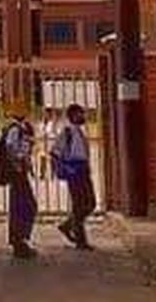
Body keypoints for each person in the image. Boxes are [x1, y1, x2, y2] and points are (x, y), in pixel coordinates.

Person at [52, 103, 96, 250]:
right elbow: (55, 152)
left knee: (90, 203)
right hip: (74, 171)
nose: (83, 116)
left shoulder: (79, 132)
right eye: (79, 114)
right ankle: (80, 240)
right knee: (79, 204)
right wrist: (66, 168)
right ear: (72, 116)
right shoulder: (67, 132)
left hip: (83, 170)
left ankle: (67, 225)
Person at [1, 100, 38, 259]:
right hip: (17, 172)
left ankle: (20, 240)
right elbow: (10, 146)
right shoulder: (15, 129)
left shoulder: (18, 128)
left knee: (21, 206)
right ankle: (19, 240)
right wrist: (19, 158)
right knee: (27, 206)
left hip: (19, 172)